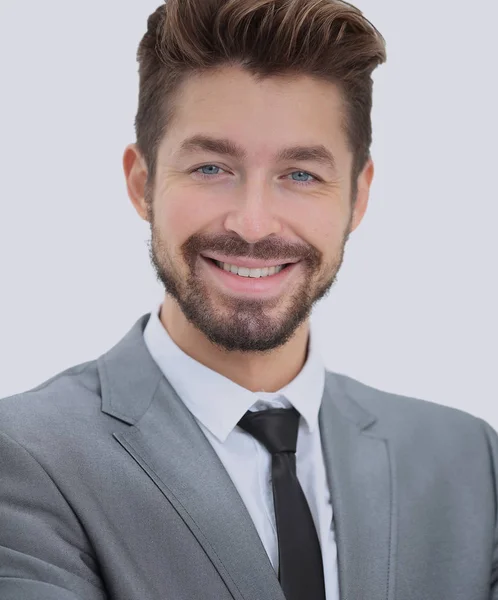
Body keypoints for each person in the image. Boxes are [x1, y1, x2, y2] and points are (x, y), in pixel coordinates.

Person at [0, 0, 497, 598]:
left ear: (358, 198)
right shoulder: (27, 455)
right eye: (211, 167)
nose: (255, 224)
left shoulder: (469, 460)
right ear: (142, 184)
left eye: (301, 174)